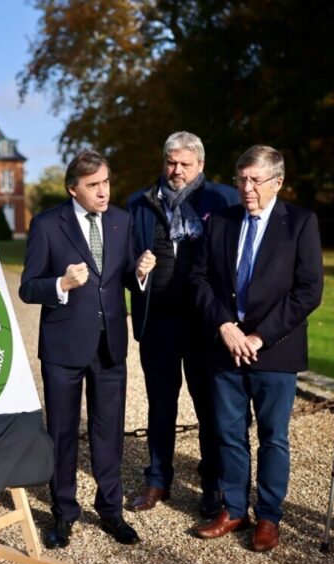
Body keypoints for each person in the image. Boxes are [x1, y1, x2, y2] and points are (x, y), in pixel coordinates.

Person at [19, 149, 154, 549]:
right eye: (93, 185)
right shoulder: (46, 225)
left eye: (106, 182)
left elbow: (125, 276)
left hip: (110, 343)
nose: (103, 191)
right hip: (63, 346)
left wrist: (140, 273)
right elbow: (28, 287)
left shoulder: (121, 220)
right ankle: (63, 514)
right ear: (72, 189)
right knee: (61, 432)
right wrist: (60, 285)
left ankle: (111, 510)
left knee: (108, 431)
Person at [191, 145, 323, 551]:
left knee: (273, 437)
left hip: (275, 350)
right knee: (228, 433)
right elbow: (198, 279)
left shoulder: (300, 223)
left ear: (277, 182)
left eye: (255, 180)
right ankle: (233, 508)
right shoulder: (220, 222)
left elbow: (308, 291)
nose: (246, 188)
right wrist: (225, 326)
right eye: (241, 179)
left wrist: (260, 336)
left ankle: (268, 516)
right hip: (226, 347)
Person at [127, 131, 239, 516]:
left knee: (210, 407)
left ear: (201, 165)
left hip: (205, 322)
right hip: (157, 320)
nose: (176, 171)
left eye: (185, 164)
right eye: (171, 163)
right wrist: (137, 272)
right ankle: (158, 480)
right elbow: (125, 267)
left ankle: (213, 485)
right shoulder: (138, 204)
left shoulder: (224, 200)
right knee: (160, 405)